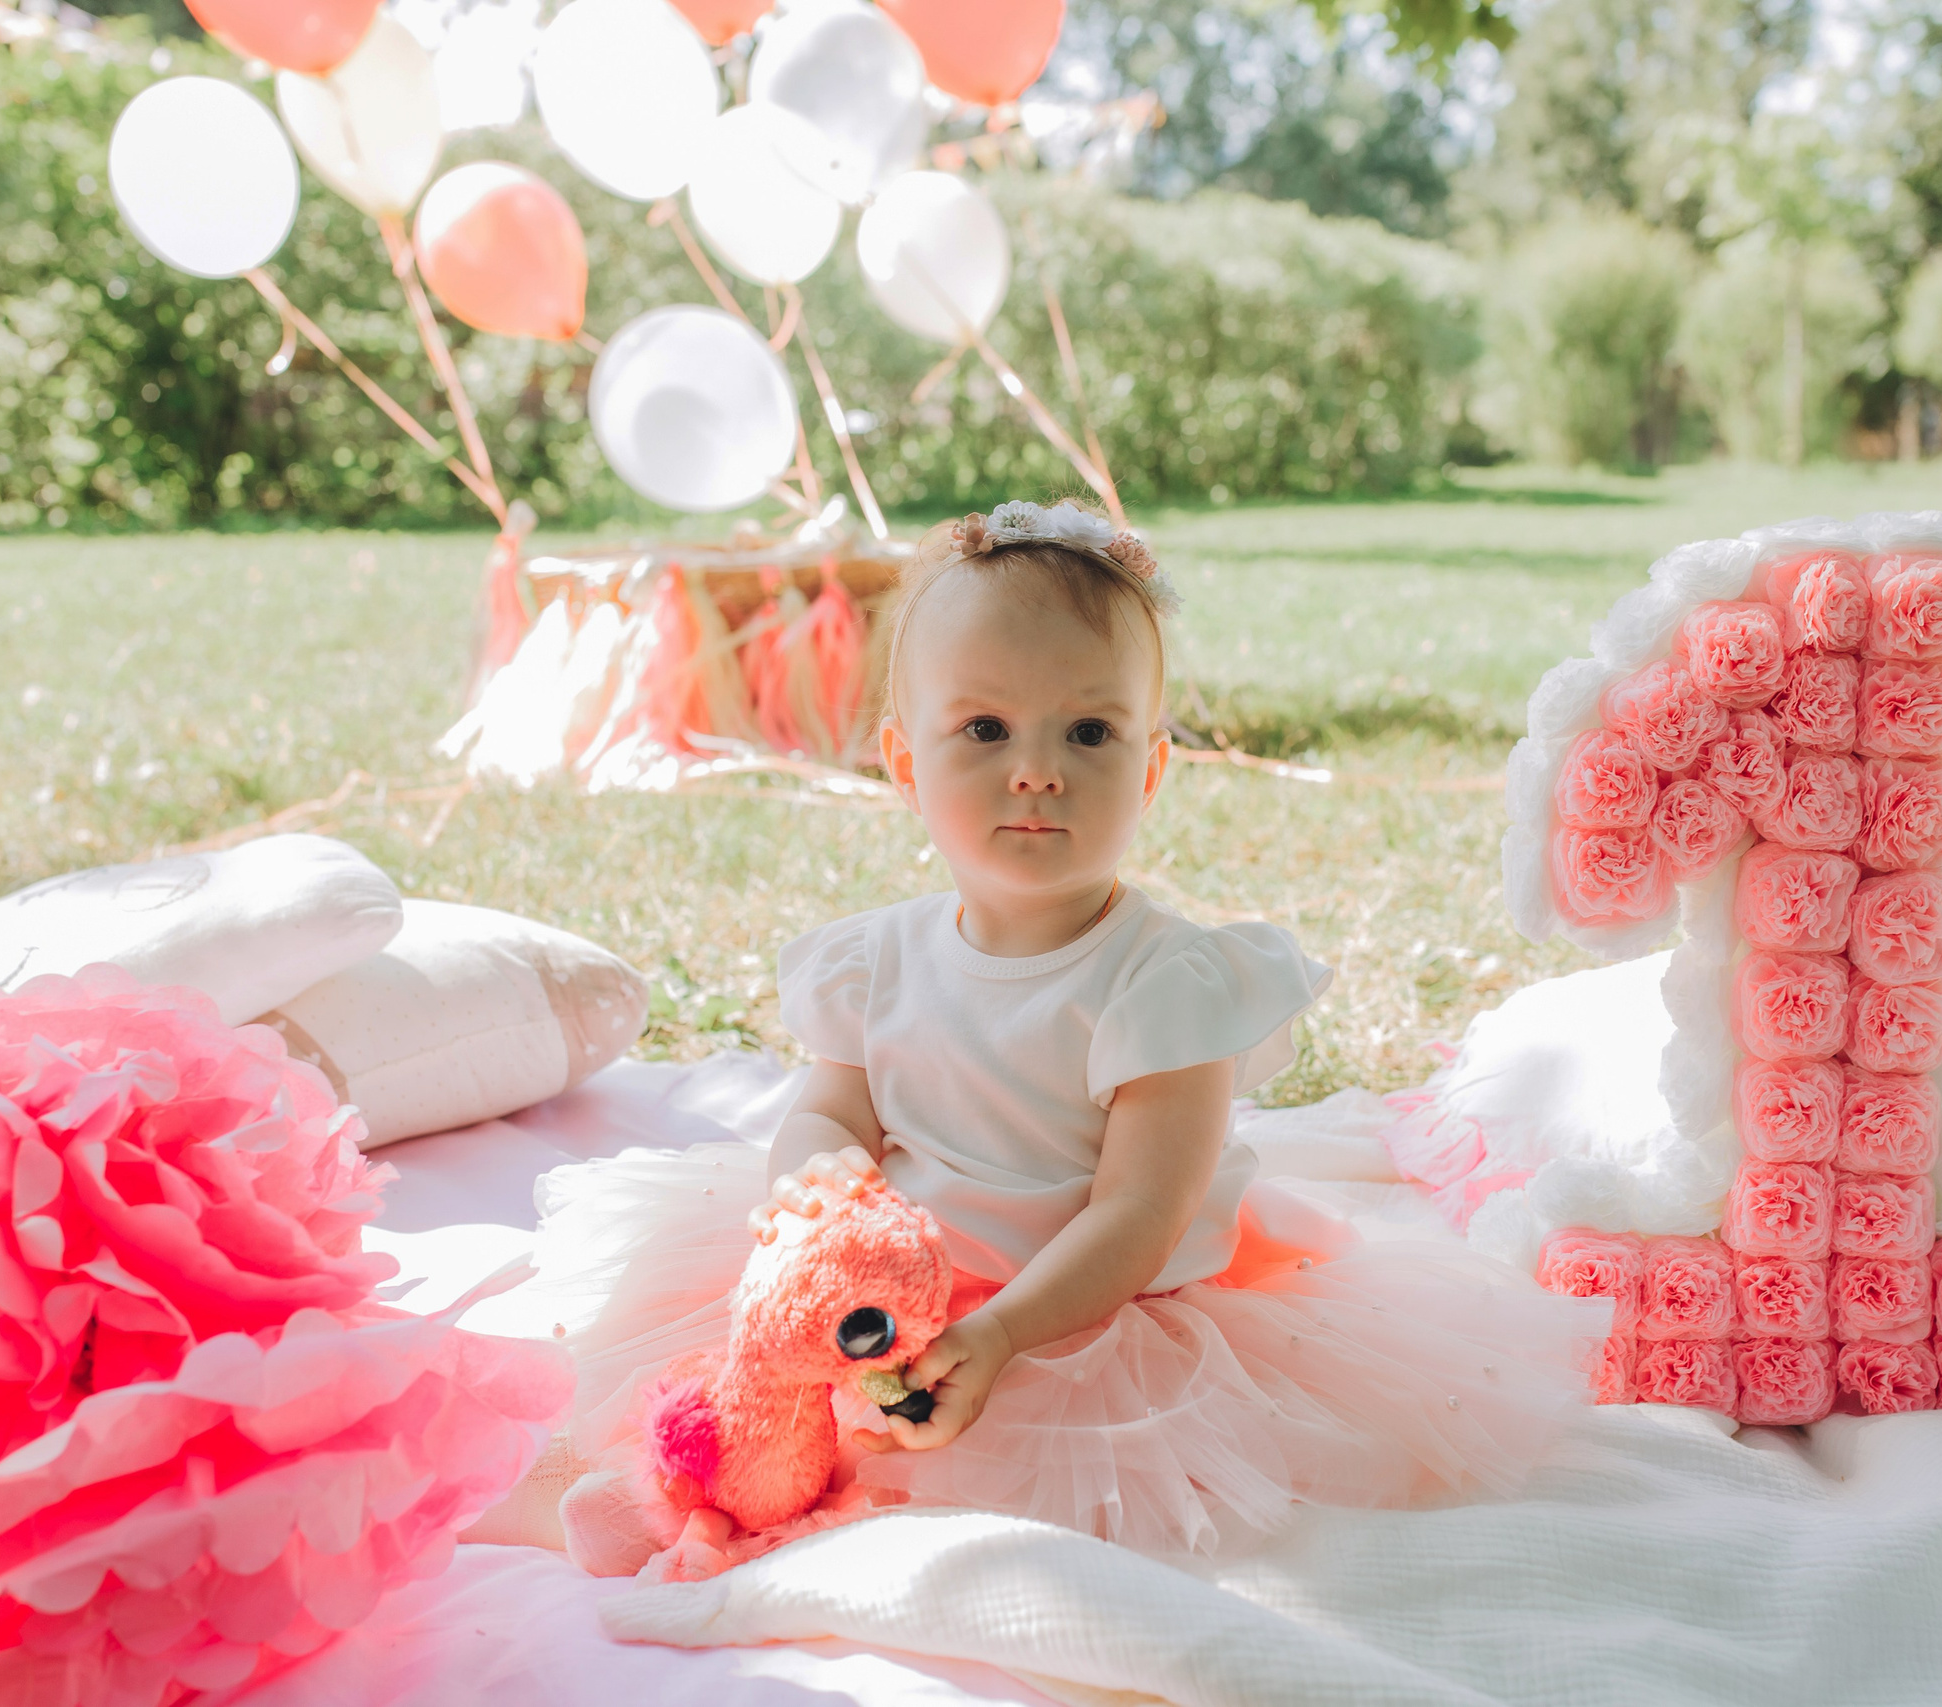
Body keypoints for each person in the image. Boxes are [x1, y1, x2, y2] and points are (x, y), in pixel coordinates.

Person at [480, 500, 1611, 1574]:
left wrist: (1005, 1333)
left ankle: (762, 1508)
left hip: (1075, 1308)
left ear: (1153, 766)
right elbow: (836, 1106)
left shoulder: (1164, 982)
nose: (1037, 768)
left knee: (966, 1439)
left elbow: (1136, 1213)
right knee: (762, 1355)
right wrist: (817, 1200)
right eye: (984, 728)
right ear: (905, 760)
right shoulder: (876, 960)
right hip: (896, 1278)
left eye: (1089, 729)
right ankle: (675, 1486)